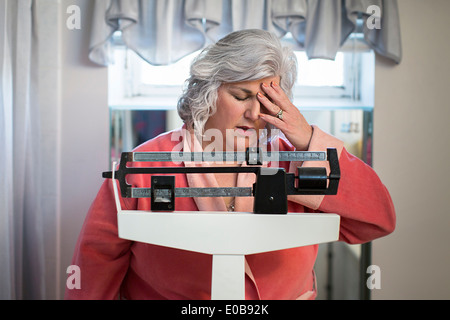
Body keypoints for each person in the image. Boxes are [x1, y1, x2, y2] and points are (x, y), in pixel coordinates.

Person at [65, 29, 395, 300]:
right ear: (207, 92)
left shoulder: (297, 162)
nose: (255, 114)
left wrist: (308, 138)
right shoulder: (142, 169)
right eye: (241, 96)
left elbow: (378, 220)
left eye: (268, 100)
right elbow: (94, 273)